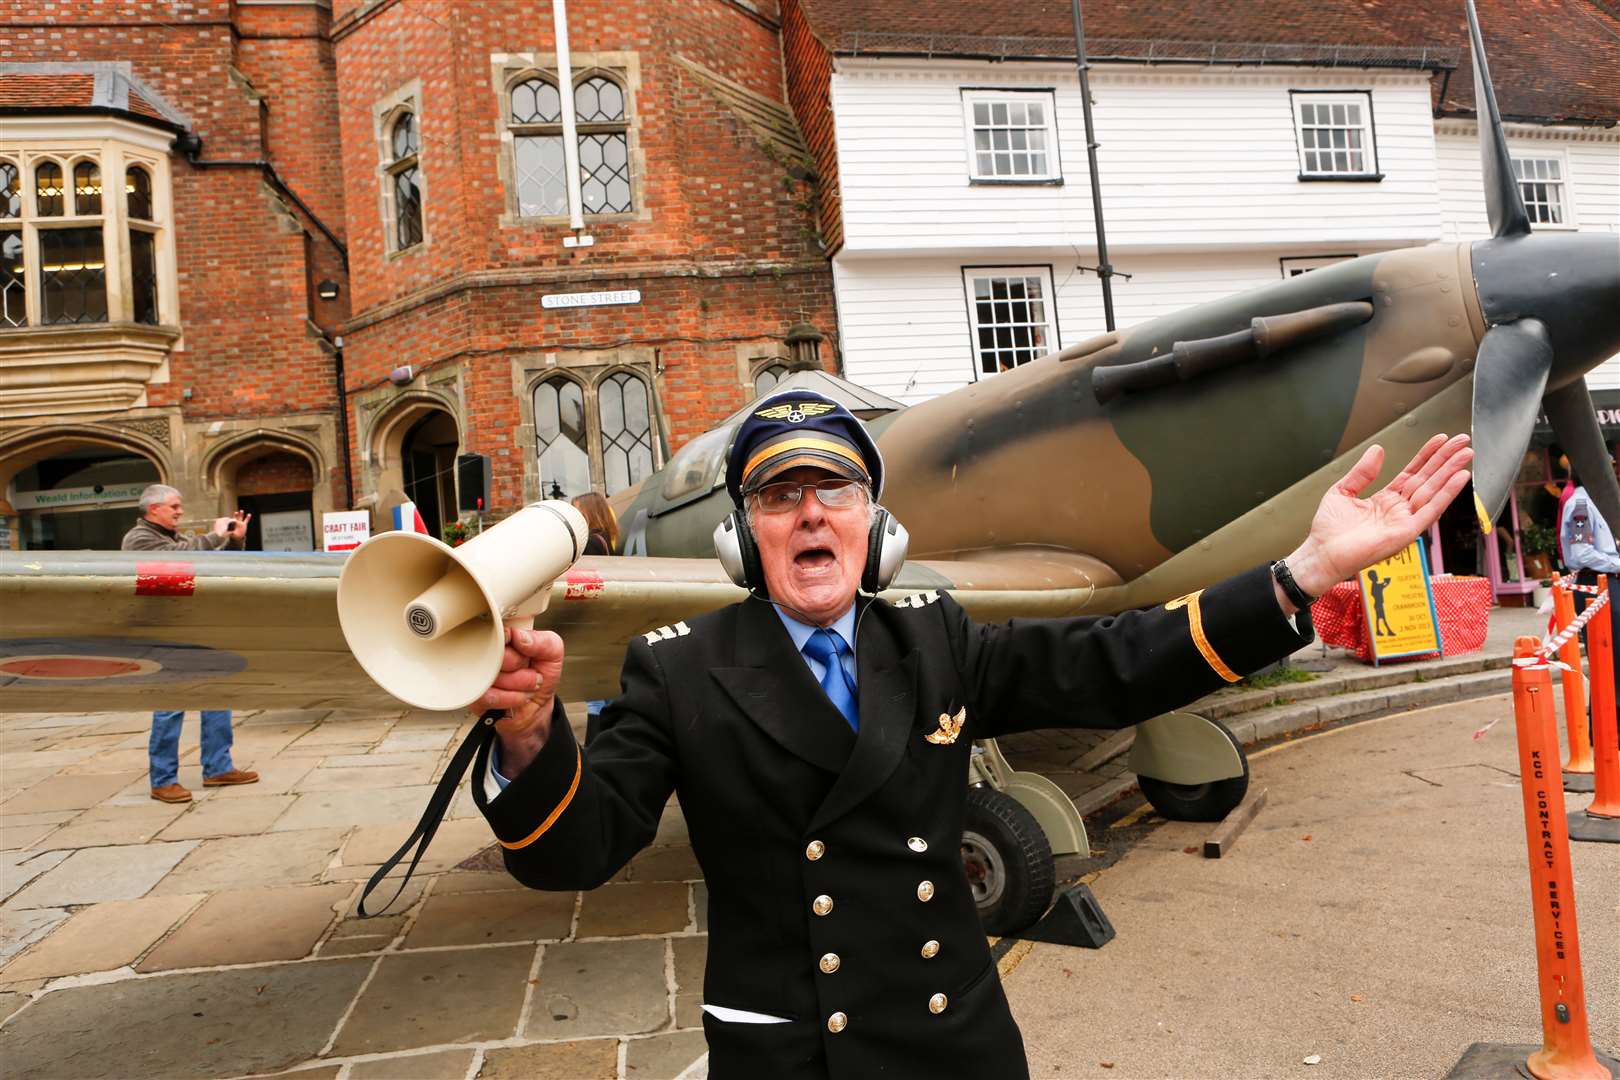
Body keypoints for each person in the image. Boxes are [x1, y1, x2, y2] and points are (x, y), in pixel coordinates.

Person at [471, 391, 1472, 1079]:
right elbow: (579, 849)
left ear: (874, 524)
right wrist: (528, 736)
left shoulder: (935, 637)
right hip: (794, 1057)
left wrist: (1300, 575)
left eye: (835, 490)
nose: (810, 513)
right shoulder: (675, 667)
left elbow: (1114, 660)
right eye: (780, 496)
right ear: (745, 533)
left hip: (956, 1047)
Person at [121, 483, 260, 803]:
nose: (180, 511)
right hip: (162, 632)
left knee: (216, 696)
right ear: (153, 509)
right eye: (174, 506)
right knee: (170, 705)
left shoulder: (177, 538)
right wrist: (214, 535)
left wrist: (235, 541)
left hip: (193, 626)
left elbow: (211, 565)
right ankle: (163, 779)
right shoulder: (138, 538)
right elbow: (175, 560)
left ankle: (217, 767)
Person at [570, 492, 618, 743]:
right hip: (605, 619)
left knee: (594, 694)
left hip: (591, 619)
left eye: (579, 511)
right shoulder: (607, 540)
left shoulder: (589, 541)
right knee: (605, 691)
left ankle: (594, 747)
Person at [1560, 471, 1620, 618]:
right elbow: (1583, 554)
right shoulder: (1581, 505)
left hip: (1602, 579)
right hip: (1595, 581)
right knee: (1608, 638)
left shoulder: (1592, 502)